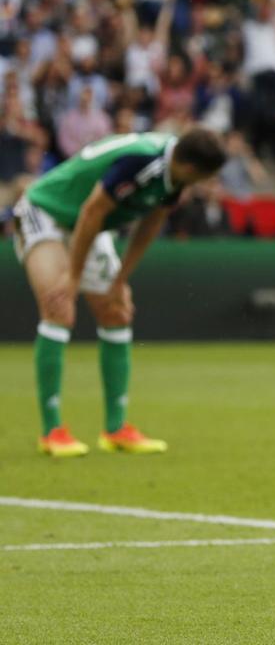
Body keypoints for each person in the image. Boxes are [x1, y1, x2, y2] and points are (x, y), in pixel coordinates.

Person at [12, 128, 226, 457]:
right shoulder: (144, 162)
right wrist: (72, 277)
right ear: (194, 169)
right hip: (47, 212)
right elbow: (92, 211)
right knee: (59, 308)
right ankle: (51, 430)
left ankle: (115, 429)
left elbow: (151, 223)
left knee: (117, 312)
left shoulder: (175, 173)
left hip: (89, 224)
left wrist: (120, 282)